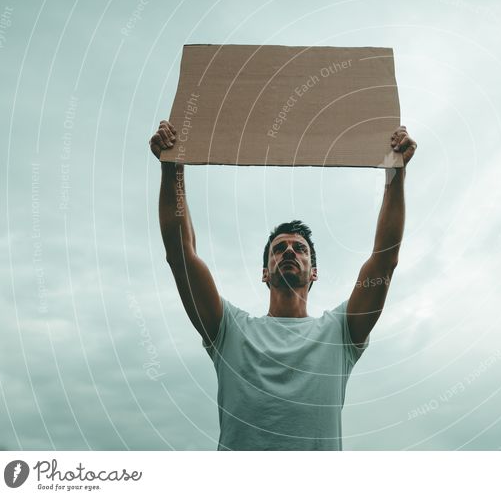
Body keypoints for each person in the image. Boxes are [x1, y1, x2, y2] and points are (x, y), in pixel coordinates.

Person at [149, 120, 417, 450]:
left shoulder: (340, 333)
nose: (289, 250)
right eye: (279, 248)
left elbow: (384, 258)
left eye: (299, 248)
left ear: (313, 272)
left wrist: (396, 174)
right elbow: (181, 254)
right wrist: (172, 167)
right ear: (265, 273)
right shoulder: (230, 330)